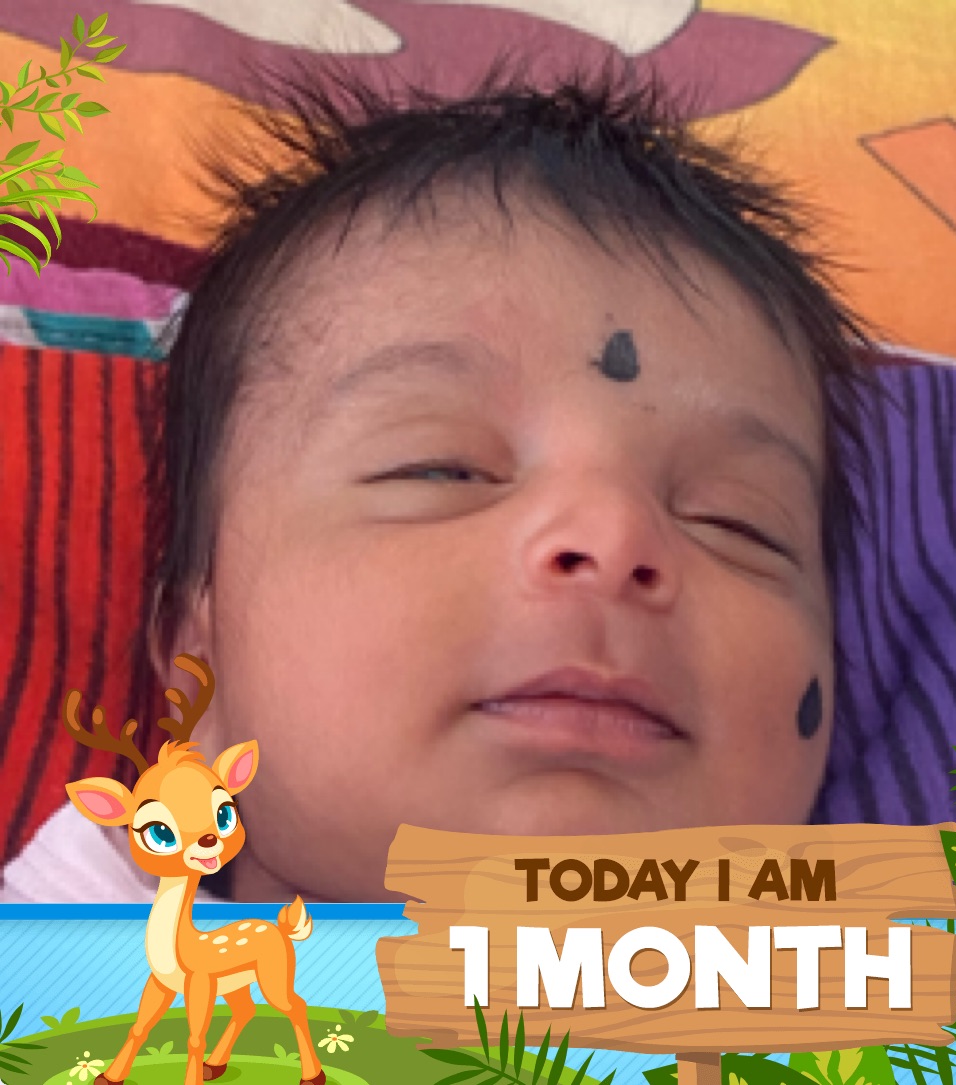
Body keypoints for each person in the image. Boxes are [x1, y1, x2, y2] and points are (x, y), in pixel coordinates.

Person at [1, 67, 873, 904]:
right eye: (442, 468)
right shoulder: (75, 944)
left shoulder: (896, 973)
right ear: (201, 666)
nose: (614, 535)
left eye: (736, 522)